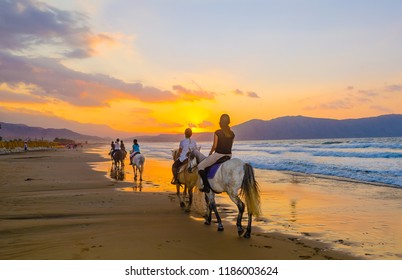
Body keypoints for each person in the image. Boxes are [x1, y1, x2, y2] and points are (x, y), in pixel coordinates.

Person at [198, 114, 235, 192]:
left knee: (200, 166)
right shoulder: (232, 134)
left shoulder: (217, 132)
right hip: (228, 155)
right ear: (228, 122)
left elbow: (215, 146)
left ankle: (206, 186)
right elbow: (230, 146)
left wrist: (210, 153)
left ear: (220, 122)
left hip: (218, 155)